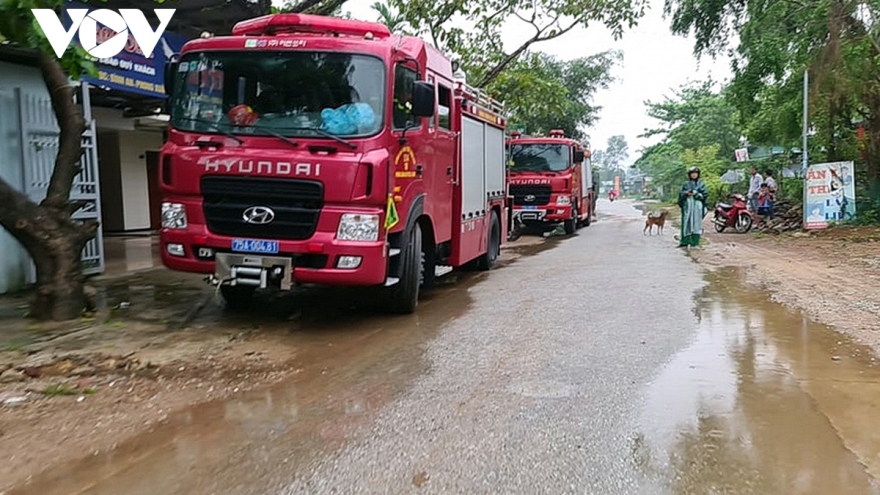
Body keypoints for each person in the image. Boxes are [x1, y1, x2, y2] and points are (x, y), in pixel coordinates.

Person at [677, 166, 708, 249]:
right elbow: (681, 195)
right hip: (688, 207)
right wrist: (687, 194)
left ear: (698, 174)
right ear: (689, 175)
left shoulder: (701, 184)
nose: (694, 175)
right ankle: (684, 241)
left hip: (697, 208)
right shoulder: (686, 184)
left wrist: (697, 194)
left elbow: (704, 195)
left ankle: (695, 242)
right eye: (692, 174)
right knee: (686, 223)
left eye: (695, 173)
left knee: (696, 224)